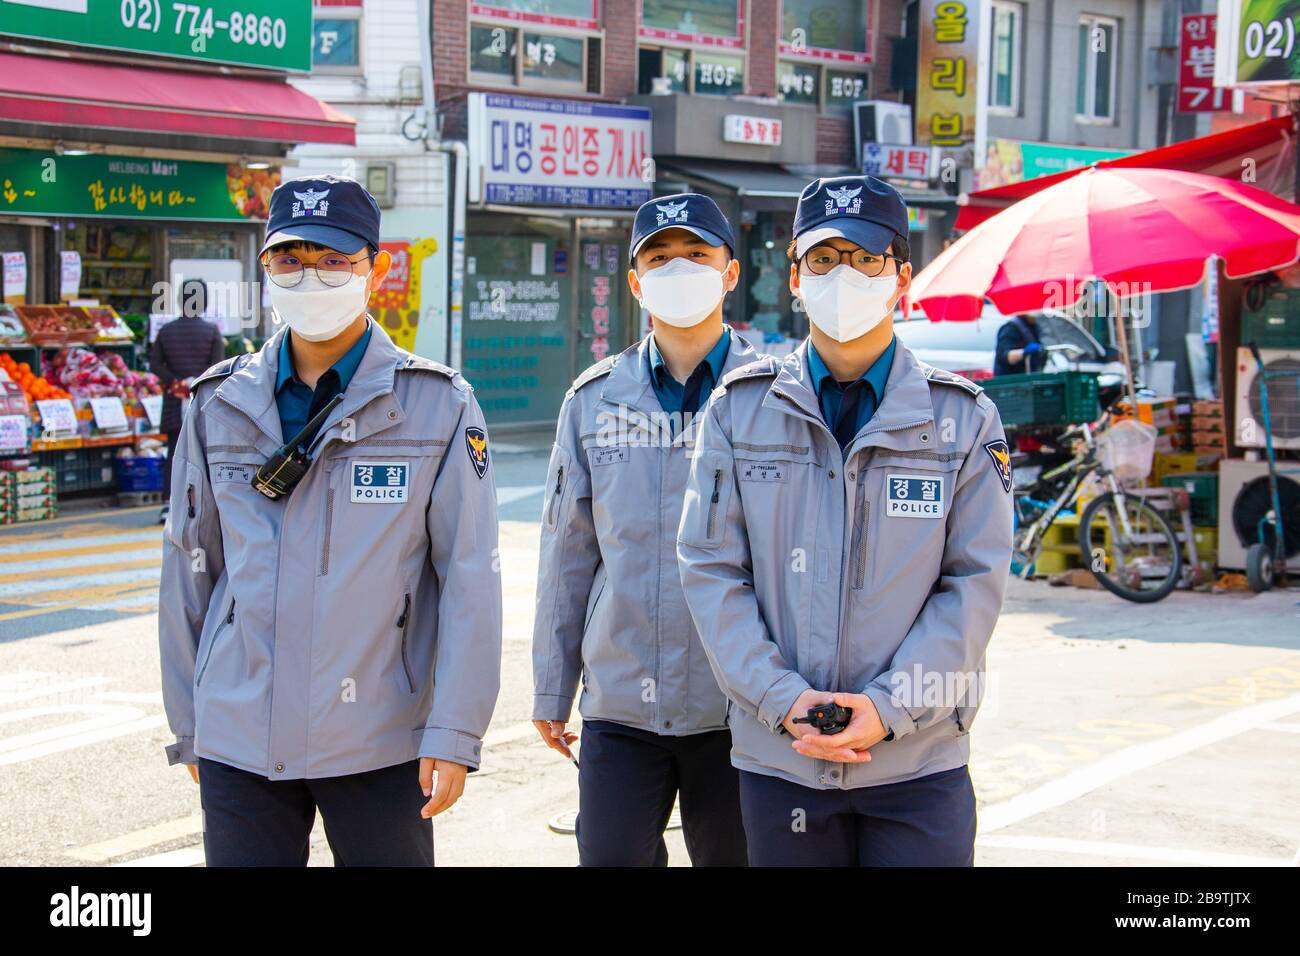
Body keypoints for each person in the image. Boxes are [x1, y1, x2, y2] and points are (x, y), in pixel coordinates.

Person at [158, 175, 502, 867]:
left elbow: (468, 577)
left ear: (373, 268)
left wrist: (455, 731)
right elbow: (189, 568)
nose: (310, 276)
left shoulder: (437, 405)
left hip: (382, 736)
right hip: (239, 733)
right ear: (266, 269)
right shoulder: (216, 403)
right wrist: (191, 725)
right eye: (291, 258)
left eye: (334, 260)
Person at [676, 175, 1012, 867]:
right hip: (783, 759)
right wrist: (784, 699)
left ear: (902, 278)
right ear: (795, 277)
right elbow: (711, 570)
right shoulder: (738, 411)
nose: (844, 277)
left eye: (865, 259)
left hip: (919, 764)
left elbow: (973, 584)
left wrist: (889, 709)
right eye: (824, 260)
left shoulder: (961, 418)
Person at [532, 193, 756, 866]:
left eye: (696, 254)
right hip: (622, 701)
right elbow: (567, 553)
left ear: (730, 273)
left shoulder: (771, 396)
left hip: (738, 706)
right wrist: (552, 683)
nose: (678, 269)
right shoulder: (594, 400)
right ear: (635, 282)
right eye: (659, 257)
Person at [150, 278, 225, 523]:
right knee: (204, 453)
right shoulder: (211, 331)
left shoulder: (166, 331)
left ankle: (166, 504)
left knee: (173, 452)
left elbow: (154, 365)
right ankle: (200, 504)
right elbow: (217, 368)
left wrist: (175, 382)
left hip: (174, 400)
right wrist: (194, 382)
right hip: (202, 401)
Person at [994, 312, 1046, 377]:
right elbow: (1005, 356)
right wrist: (1025, 352)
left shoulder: (1034, 327)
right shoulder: (1010, 328)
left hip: (1029, 377)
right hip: (1010, 380)